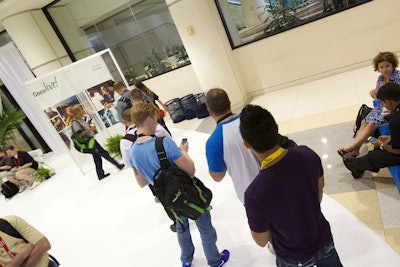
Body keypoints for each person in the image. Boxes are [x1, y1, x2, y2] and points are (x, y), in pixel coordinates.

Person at [240, 104, 342, 267]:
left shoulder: (254, 194)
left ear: (246, 143)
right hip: (323, 240)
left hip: (292, 257)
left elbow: (261, 240)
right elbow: (319, 192)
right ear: (276, 129)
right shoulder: (307, 154)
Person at [128, 103, 229, 267]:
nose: (157, 123)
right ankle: (214, 260)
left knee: (182, 227)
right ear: (148, 120)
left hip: (168, 198)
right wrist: (183, 151)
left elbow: (141, 182)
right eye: (155, 120)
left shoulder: (132, 152)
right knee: (204, 224)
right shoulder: (164, 143)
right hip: (187, 191)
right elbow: (190, 169)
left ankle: (187, 260)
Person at [205, 88, 297, 204]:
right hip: (279, 183)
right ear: (229, 102)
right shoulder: (252, 119)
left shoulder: (213, 143)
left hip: (253, 197)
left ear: (209, 111)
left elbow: (218, 176)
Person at [339, 51, 400, 157]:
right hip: (383, 106)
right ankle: (356, 148)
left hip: (392, 108)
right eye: (381, 67)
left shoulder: (398, 77)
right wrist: (374, 95)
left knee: (372, 124)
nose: (384, 69)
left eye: (387, 66)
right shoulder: (381, 78)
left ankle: (353, 146)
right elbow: (381, 96)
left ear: (393, 65)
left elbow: (395, 98)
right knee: (364, 122)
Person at [343, 82, 400, 178]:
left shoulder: (395, 121)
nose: (384, 107)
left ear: (389, 102)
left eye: (383, 103)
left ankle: (354, 165)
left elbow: (398, 151)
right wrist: (390, 138)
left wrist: (381, 145)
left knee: (375, 156)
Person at [71, 104, 124, 180]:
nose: (83, 111)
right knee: (103, 153)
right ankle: (117, 165)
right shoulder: (75, 123)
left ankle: (100, 174)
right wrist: (91, 129)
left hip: (91, 141)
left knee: (97, 157)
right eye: (80, 110)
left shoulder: (80, 120)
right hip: (88, 142)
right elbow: (79, 134)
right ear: (77, 113)